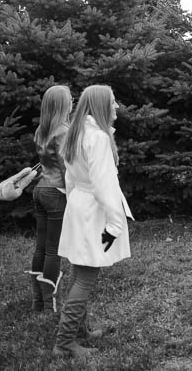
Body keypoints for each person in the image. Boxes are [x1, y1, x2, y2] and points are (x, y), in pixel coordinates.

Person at [54, 85, 133, 357]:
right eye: (112, 102)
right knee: (85, 277)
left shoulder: (77, 134)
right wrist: (114, 226)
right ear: (100, 106)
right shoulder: (97, 138)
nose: (116, 107)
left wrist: (75, 206)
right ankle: (64, 344)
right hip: (93, 213)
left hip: (79, 208)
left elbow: (70, 180)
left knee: (79, 273)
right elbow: (103, 186)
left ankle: (80, 331)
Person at [29, 85, 71, 313]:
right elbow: (66, 168)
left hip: (40, 190)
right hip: (56, 192)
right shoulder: (63, 130)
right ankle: (50, 305)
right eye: (70, 99)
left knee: (41, 248)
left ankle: (38, 302)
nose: (73, 102)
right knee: (54, 250)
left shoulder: (41, 130)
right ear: (63, 104)